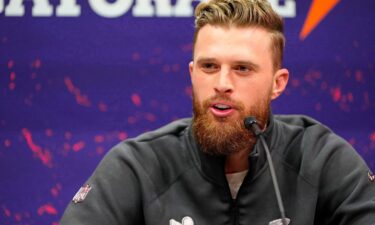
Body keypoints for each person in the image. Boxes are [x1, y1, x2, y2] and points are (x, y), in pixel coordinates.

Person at [60, 0, 375, 224]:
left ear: (277, 84)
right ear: (192, 73)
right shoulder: (139, 165)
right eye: (209, 66)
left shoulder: (320, 159)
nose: (222, 83)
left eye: (242, 68)